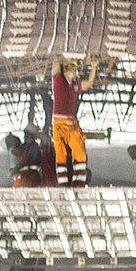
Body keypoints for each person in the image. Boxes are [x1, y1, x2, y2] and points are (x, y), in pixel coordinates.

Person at [47, 57, 92, 187]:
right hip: (59, 124)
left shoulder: (75, 86)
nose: (75, 71)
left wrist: (94, 68)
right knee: (60, 153)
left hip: (72, 124)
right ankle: (63, 184)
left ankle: (79, 183)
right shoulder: (58, 81)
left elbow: (88, 83)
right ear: (65, 70)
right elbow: (56, 64)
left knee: (80, 153)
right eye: (72, 68)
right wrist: (63, 56)